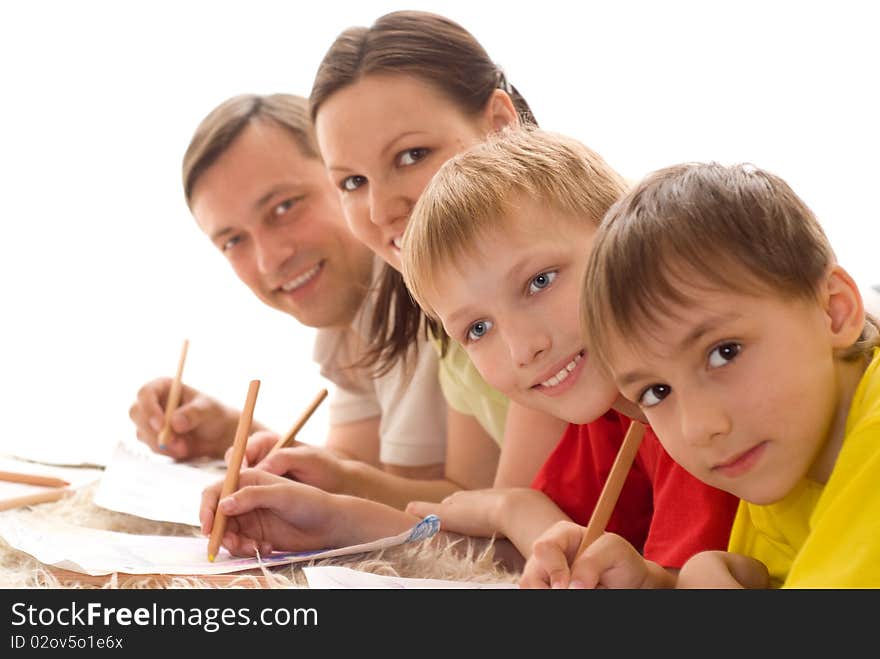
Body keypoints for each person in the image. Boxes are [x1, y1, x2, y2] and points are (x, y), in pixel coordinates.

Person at [200, 128, 738, 587]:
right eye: (478, 328)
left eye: (539, 282)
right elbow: (529, 556)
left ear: (620, 232)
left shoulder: (692, 422)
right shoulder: (601, 419)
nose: (523, 347)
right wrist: (337, 522)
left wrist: (517, 510)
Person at [560, 161, 880, 588]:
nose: (699, 427)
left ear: (833, 311)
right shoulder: (789, 453)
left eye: (724, 353)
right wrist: (662, 585)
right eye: (656, 392)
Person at [128, 93, 451, 510]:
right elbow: (354, 468)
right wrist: (230, 434)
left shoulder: (428, 301)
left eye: (284, 207)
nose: (268, 259)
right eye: (233, 240)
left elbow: (444, 505)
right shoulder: (352, 320)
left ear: (346, 176)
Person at [308, 9, 568, 494]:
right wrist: (335, 484)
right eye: (352, 182)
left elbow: (510, 515)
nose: (382, 208)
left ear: (499, 124)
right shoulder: (458, 325)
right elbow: (473, 494)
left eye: (412, 155)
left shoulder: (559, 303)